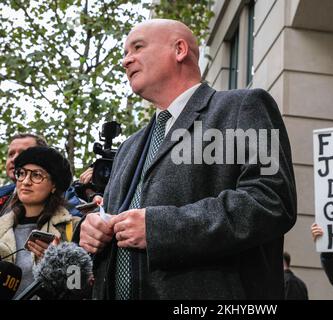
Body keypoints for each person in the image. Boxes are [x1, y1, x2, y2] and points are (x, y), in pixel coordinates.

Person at [77, 19, 297, 300]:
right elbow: (112, 222)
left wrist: (160, 228)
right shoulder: (128, 148)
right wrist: (94, 229)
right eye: (124, 53)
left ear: (179, 49)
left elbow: (271, 201)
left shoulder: (244, 106)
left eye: (137, 47)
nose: (126, 61)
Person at [0, 146, 80, 298]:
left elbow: (78, 287)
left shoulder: (74, 227)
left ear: (54, 185)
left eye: (36, 175)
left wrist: (59, 264)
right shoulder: (1, 226)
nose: (26, 181)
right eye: (21, 173)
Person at [0, 133, 83, 217]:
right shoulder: (2, 193)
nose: (14, 159)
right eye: (11, 154)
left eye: (23, 153)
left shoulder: (66, 197)